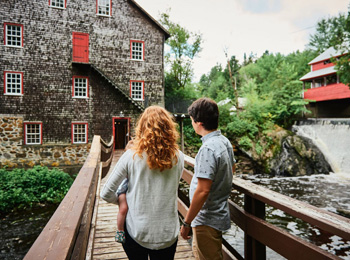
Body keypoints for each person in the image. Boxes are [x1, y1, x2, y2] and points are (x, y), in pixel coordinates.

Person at [100, 106, 184, 260]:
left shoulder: (130, 156)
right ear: (169, 128)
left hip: (137, 231)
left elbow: (105, 193)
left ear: (142, 127)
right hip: (168, 233)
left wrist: (122, 200)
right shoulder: (179, 157)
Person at [180, 98, 235, 260]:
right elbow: (232, 169)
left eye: (191, 120)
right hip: (218, 213)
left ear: (199, 122)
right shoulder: (224, 141)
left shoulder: (208, 149)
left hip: (206, 219)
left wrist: (186, 222)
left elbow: (203, 191)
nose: (191, 123)